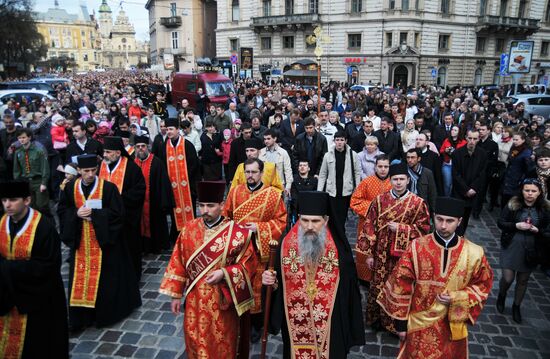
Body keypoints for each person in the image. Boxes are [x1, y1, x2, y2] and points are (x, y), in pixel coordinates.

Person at [377, 197, 494, 358]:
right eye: (439, 219)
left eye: (450, 221)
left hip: (452, 326)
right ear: (433, 217)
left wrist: (457, 297)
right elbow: (400, 283)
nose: (443, 225)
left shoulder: (474, 253)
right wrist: (401, 324)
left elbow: (483, 285)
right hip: (419, 324)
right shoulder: (416, 246)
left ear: (459, 221)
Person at [262, 191, 365, 358]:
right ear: (299, 218)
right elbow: (276, 286)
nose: (309, 227)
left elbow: (349, 294)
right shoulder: (284, 248)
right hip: (296, 326)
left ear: (326, 221)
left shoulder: (340, 252)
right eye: (305, 220)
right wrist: (270, 283)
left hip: (331, 326)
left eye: (315, 221)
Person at [160, 181, 256, 359]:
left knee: (223, 341)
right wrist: (175, 295)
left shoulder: (237, 233)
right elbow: (178, 261)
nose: (205, 210)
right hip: (194, 301)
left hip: (222, 301)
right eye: (201, 205)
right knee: (195, 340)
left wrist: (225, 273)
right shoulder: (188, 229)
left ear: (221, 205)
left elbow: (249, 264)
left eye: (210, 206)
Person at [60, 154, 141, 332]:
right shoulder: (70, 188)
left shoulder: (109, 188)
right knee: (80, 280)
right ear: (79, 171)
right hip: (81, 243)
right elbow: (62, 210)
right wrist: (75, 214)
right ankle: (81, 317)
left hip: (104, 244)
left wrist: (96, 216)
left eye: (93, 170)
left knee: (105, 280)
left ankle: (103, 315)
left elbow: (118, 215)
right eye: (86, 171)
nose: (90, 174)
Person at [357, 163, 430, 333]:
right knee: (378, 285)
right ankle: (376, 320)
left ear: (407, 181)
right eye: (395, 179)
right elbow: (369, 226)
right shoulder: (379, 200)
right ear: (390, 180)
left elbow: (424, 230)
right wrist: (368, 254)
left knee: (399, 288)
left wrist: (402, 229)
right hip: (380, 253)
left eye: (401, 179)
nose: (398, 182)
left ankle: (394, 323)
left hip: (403, 256)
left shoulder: (417, 203)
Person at [0, 180, 69, 358]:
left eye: (13, 200)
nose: (7, 205)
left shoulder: (44, 227)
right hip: (7, 297)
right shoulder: (1, 224)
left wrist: (8, 268)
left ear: (27, 200)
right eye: (4, 200)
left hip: (37, 298)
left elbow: (49, 266)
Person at [224, 158, 287, 342]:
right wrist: (235, 231)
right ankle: (239, 320)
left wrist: (259, 229)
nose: (250, 176)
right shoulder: (235, 192)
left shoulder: (273, 195)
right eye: (247, 172)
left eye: (254, 172)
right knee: (239, 284)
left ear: (261, 173)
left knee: (257, 288)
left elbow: (281, 222)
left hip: (260, 252)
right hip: (239, 251)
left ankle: (256, 325)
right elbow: (225, 217)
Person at [497, 179, 550, 323]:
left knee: (523, 280)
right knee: (508, 278)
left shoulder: (545, 209)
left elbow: (547, 231)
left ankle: (516, 306)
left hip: (531, 250)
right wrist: (516, 225)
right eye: (527, 190)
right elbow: (501, 222)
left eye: (533, 191)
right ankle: (502, 295)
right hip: (512, 246)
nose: (530, 194)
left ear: (539, 192)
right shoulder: (513, 204)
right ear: (522, 190)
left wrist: (538, 231)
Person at [99, 136, 146, 279]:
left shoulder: (132, 168)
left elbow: (139, 191)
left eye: (108, 152)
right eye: (104, 152)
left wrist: (118, 200)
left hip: (127, 217)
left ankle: (131, 276)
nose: (105, 155)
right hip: (106, 217)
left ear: (118, 153)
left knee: (129, 248)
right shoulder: (101, 166)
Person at [351, 154, 392, 281]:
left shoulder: (394, 182)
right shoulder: (366, 182)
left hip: (387, 226)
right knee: (365, 250)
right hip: (367, 224)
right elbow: (355, 201)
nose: (383, 169)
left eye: (386, 166)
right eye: (380, 166)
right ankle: (364, 279)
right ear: (375, 167)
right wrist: (374, 207)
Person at [161, 118, 200, 242]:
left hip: (187, 187)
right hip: (171, 188)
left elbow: (194, 165)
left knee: (190, 210)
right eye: (167, 129)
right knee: (174, 212)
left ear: (178, 130)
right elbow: (161, 166)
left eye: (171, 129)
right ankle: (177, 235)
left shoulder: (187, 145)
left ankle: (191, 234)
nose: (169, 132)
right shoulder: (163, 147)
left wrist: (185, 179)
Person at [134, 135, 174, 254]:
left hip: (154, 203)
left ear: (148, 147)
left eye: (143, 146)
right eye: (138, 147)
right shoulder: (133, 163)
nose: (140, 149)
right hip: (138, 204)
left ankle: (156, 246)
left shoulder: (157, 162)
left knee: (156, 225)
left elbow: (163, 184)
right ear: (135, 148)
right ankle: (143, 247)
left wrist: (163, 203)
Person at [317, 131, 361, 234]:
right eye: (337, 140)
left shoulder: (352, 154)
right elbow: (323, 174)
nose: (339, 142)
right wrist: (319, 191)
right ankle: (335, 238)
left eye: (342, 140)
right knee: (332, 217)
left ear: (346, 141)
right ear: (334, 141)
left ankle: (340, 238)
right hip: (332, 190)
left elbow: (357, 172)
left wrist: (357, 189)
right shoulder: (328, 155)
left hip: (346, 191)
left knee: (342, 217)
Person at [451, 129, 487, 236]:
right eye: (470, 138)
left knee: (466, 217)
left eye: (475, 139)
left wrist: (473, 189)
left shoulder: (482, 154)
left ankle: (461, 236)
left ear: (478, 139)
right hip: (459, 192)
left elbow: (482, 173)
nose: (472, 141)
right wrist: (465, 189)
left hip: (473, 192)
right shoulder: (457, 153)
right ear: (466, 138)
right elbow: (455, 174)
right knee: (457, 218)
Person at [12, 128, 50, 216]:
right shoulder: (18, 152)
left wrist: (44, 183)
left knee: (42, 205)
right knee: (29, 206)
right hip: (26, 182)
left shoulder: (39, 151)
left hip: (38, 181)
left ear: (29, 137)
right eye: (19, 138)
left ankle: (48, 225)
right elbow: (16, 170)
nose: (21, 140)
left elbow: (44, 168)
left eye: (24, 137)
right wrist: (17, 183)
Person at [501, 132, 533, 208]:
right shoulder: (514, 148)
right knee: (504, 199)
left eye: (517, 140)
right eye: (514, 139)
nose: (514, 141)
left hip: (517, 180)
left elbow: (528, 169)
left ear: (523, 140)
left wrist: (521, 180)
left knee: (513, 201)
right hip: (508, 178)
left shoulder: (526, 152)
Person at [474, 122, 499, 215]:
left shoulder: (493, 144)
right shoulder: (477, 142)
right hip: (475, 170)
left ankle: (477, 211)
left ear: (488, 131)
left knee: (481, 192)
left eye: (483, 130)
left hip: (485, 172)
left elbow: (493, 160)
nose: (481, 131)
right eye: (479, 129)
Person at [259, 129, 293, 196]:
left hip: (279, 185)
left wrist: (288, 186)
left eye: (268, 139)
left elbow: (288, 170)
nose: (266, 141)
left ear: (275, 139)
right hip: (264, 186)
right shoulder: (260, 152)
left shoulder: (283, 153)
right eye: (265, 139)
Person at [406, 148, 437, 212]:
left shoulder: (427, 173)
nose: (410, 160)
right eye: (408, 157)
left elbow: (432, 194)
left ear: (419, 159)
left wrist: (433, 211)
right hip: (406, 207)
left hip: (422, 208)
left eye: (412, 157)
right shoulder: (403, 172)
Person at [440, 125, 466, 196]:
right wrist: (445, 150)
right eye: (452, 130)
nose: (453, 131)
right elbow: (441, 150)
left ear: (459, 132)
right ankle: (447, 199)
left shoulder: (463, 142)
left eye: (455, 130)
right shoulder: (447, 140)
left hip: (458, 166)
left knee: (456, 184)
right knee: (447, 184)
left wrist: (456, 152)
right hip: (447, 164)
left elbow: (464, 153)